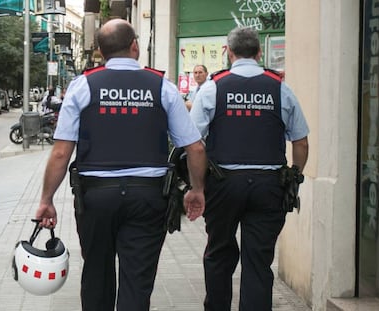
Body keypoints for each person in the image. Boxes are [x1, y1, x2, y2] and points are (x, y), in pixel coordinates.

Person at [35, 18, 207, 311]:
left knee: (96, 274)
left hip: (95, 197)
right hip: (148, 197)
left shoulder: (82, 86)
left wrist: (46, 200)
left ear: (100, 53)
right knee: (137, 280)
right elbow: (195, 146)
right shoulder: (161, 87)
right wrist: (197, 189)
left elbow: (62, 152)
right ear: (135, 46)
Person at [190, 26, 309, 311]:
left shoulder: (212, 87)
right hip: (269, 185)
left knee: (219, 253)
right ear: (259, 52)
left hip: (224, 183)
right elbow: (301, 141)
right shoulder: (280, 87)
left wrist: (197, 186)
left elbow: (194, 142)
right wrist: (294, 175)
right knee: (258, 259)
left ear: (228, 53)